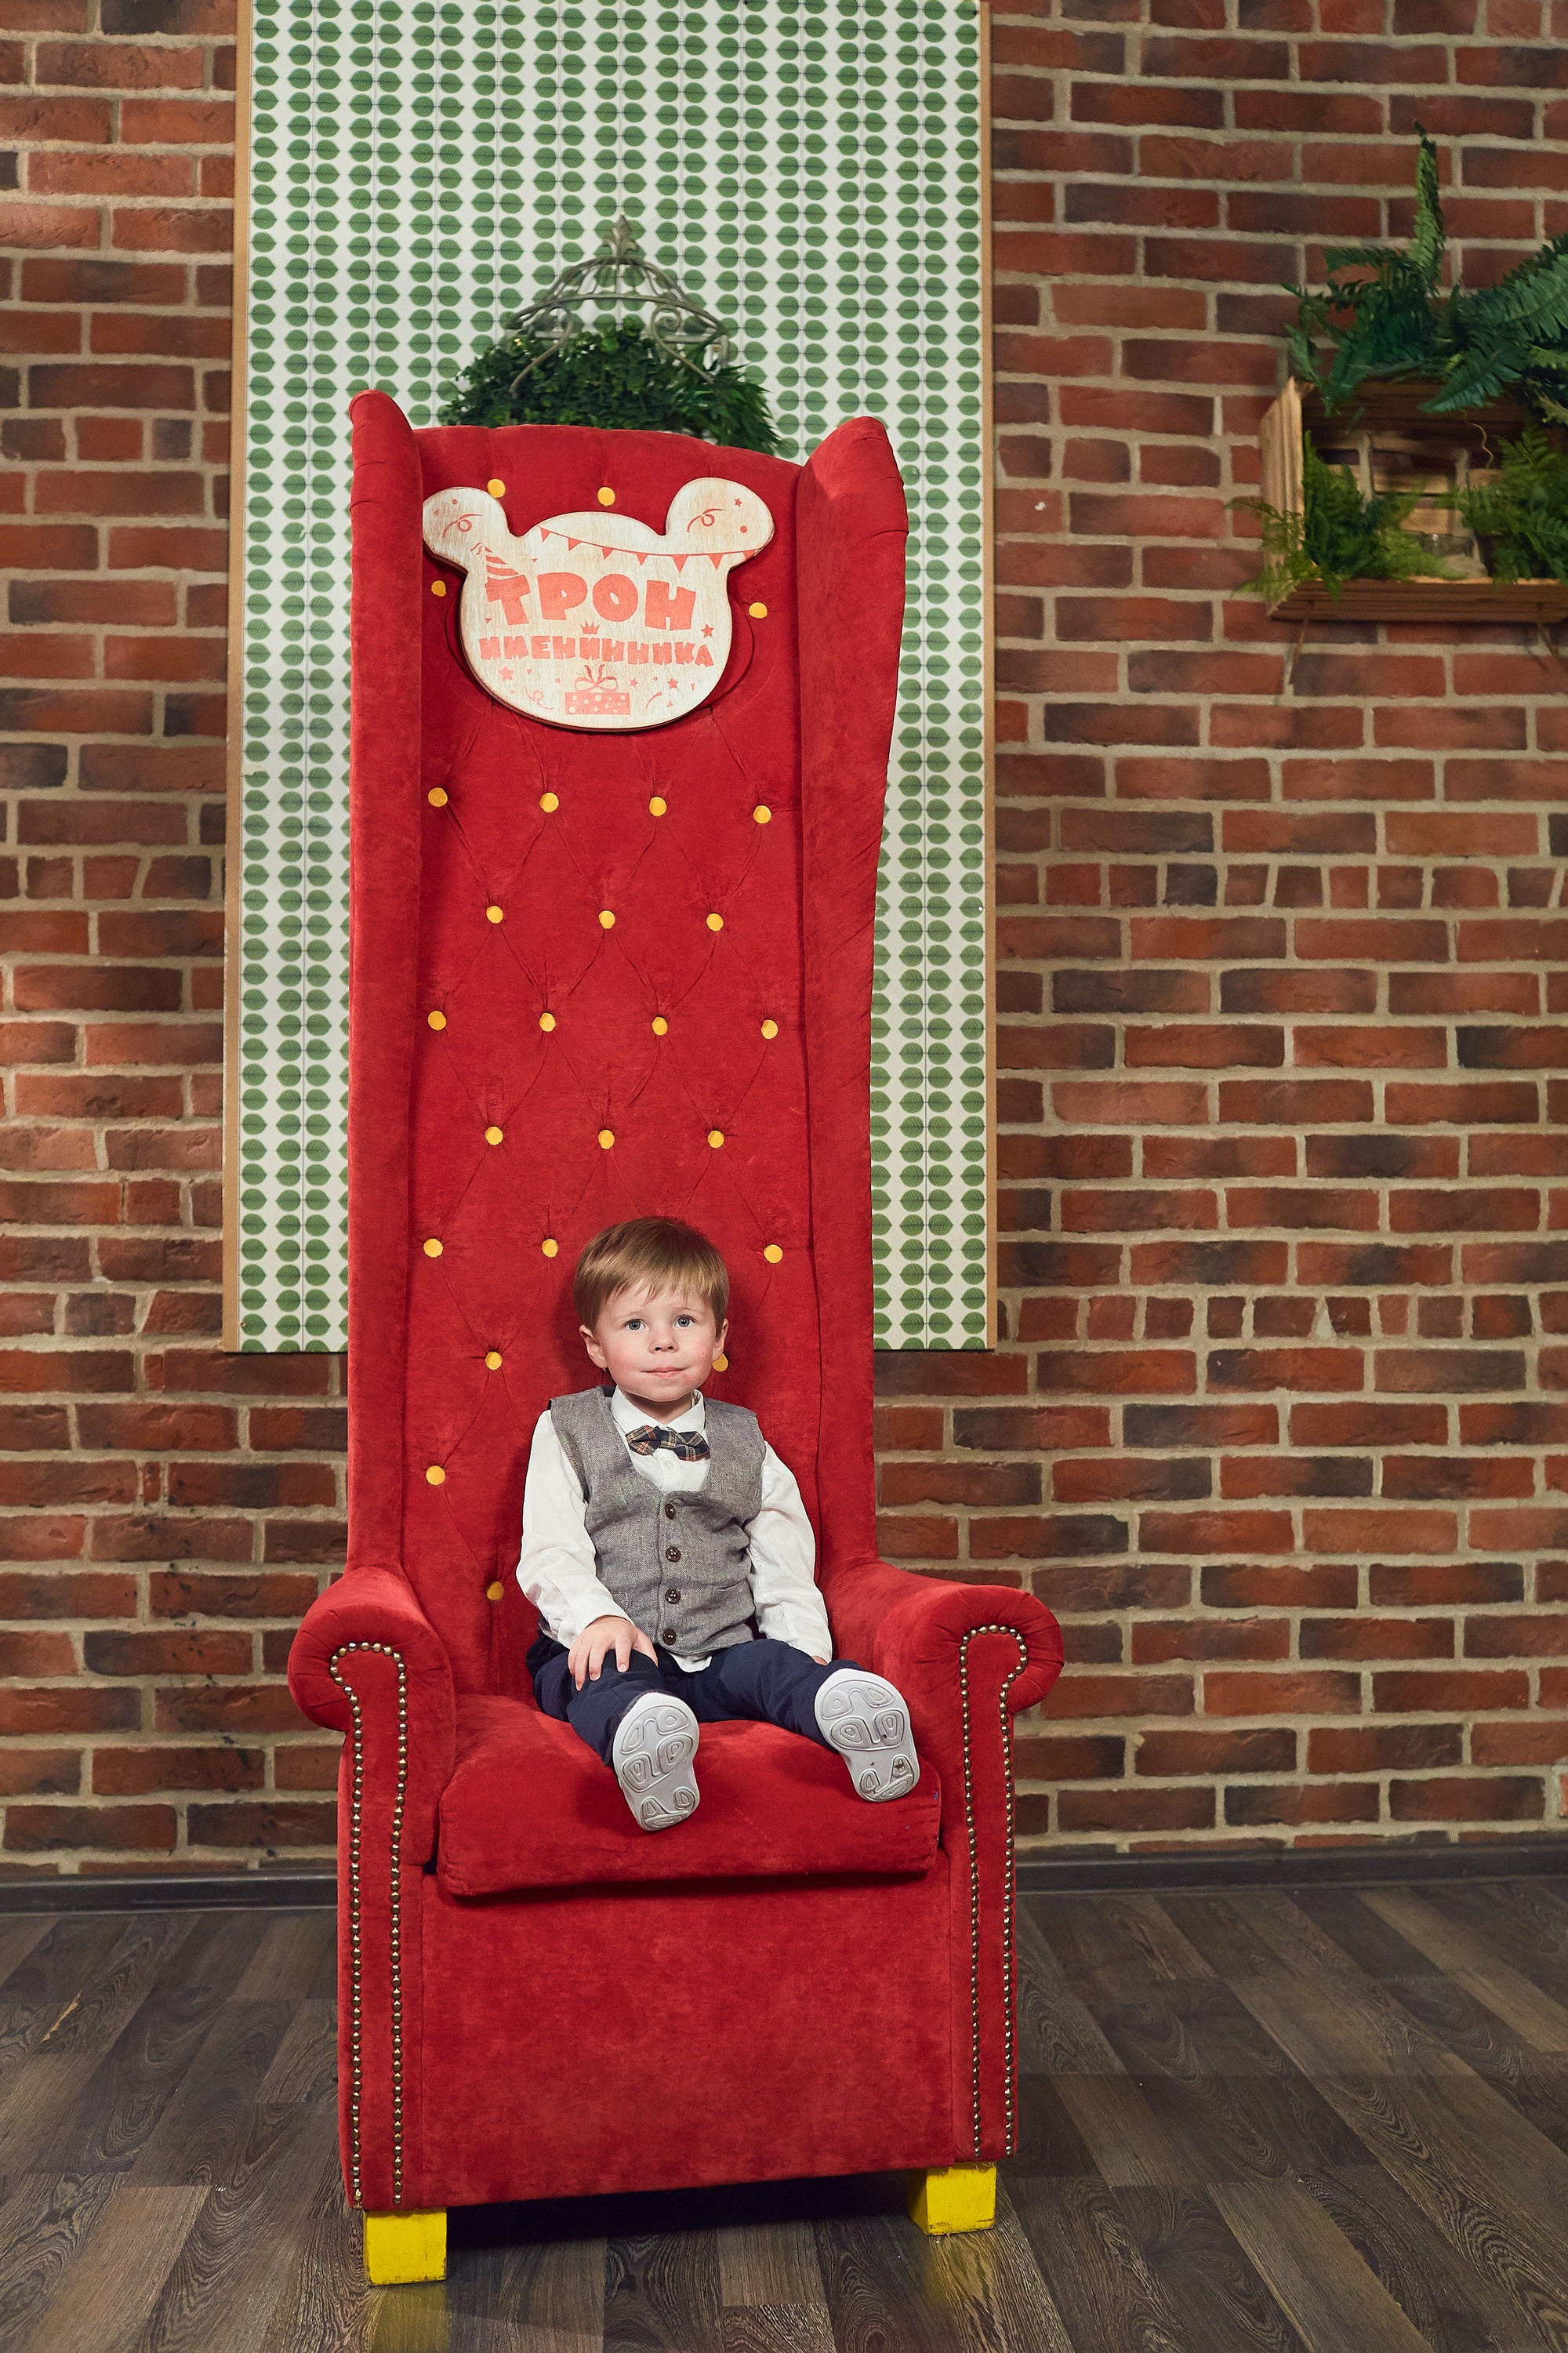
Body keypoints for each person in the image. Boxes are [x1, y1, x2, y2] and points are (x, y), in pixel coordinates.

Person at [517, 1215, 920, 1832]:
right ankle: (644, 1743)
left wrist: (803, 1652)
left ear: (719, 1335)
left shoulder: (746, 1440)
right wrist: (597, 1619)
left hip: (720, 1653)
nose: (663, 1342)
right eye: (635, 1324)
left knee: (772, 1669)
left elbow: (784, 1561)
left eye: (684, 1321)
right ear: (595, 1345)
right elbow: (551, 1546)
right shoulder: (566, 1428)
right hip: (603, 1649)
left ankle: (840, 1706)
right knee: (606, 1682)